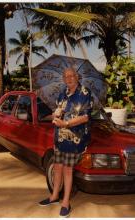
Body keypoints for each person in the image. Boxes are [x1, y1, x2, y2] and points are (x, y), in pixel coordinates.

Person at [39, 67, 93, 218]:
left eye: (71, 76)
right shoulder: (63, 94)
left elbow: (85, 117)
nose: (68, 78)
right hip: (59, 137)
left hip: (73, 138)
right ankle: (54, 196)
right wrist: (55, 113)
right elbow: (58, 110)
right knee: (57, 167)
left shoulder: (84, 93)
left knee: (68, 170)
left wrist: (66, 124)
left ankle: (65, 202)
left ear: (77, 77)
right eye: (65, 76)